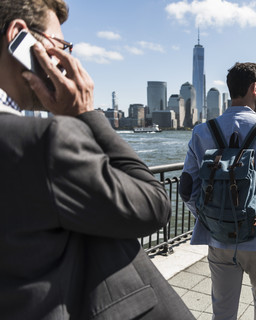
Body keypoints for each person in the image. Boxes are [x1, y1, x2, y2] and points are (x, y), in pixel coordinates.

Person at [0, 1, 194, 319]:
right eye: (59, 45)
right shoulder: (42, 144)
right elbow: (154, 205)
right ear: (20, 36)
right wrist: (85, 114)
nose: (66, 58)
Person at [180, 62, 256, 320]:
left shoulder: (202, 131)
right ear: (255, 88)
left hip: (219, 238)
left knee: (222, 310)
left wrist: (211, 216)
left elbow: (187, 189)